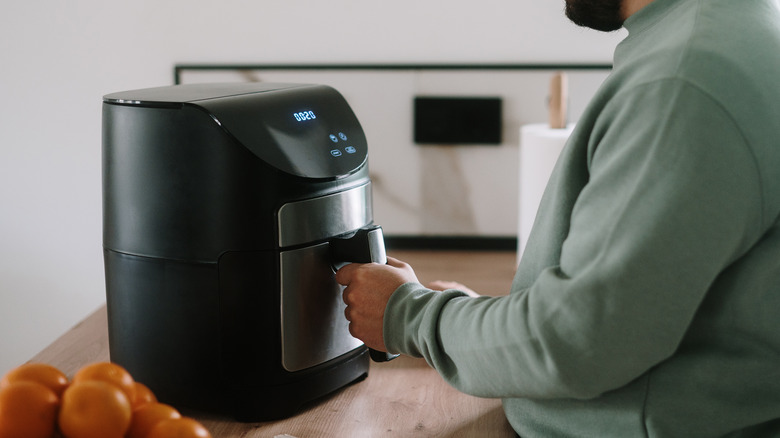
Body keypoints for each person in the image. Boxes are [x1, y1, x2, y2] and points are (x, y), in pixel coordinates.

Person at [336, 0, 780, 436]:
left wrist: (410, 317)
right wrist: (486, 327)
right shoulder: (730, 32)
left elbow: (579, 343)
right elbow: (640, 304)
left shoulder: (682, 79)